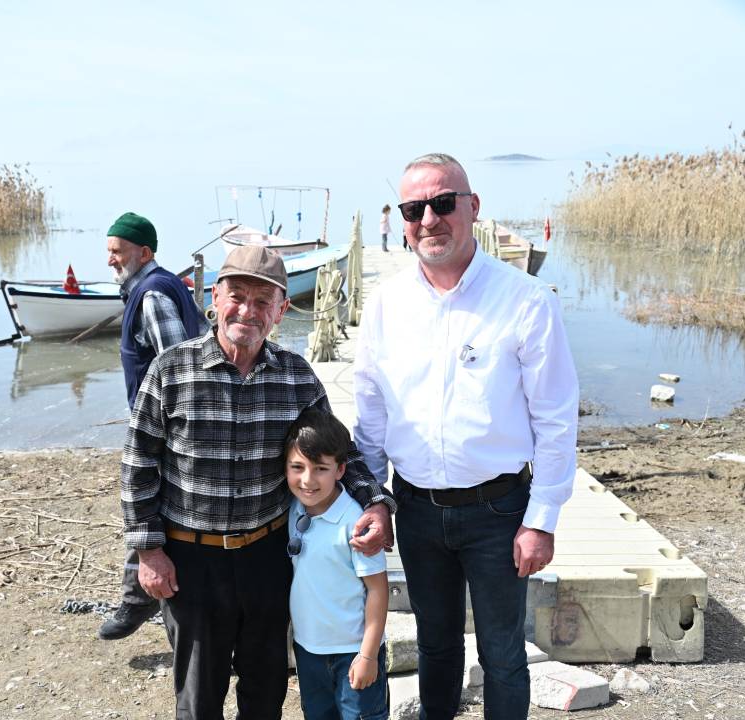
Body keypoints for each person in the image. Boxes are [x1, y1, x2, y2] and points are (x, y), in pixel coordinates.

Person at [121, 245, 396, 719]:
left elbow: (340, 452)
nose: (247, 310)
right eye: (237, 296)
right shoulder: (171, 371)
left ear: (281, 311)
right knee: (199, 695)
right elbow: (138, 465)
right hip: (191, 559)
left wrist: (376, 505)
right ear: (214, 296)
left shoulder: (296, 377)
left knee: (266, 687)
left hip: (268, 554)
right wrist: (148, 551)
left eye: (263, 301)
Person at [353, 153, 579, 719]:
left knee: (502, 652)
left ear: (472, 208)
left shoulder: (525, 300)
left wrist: (541, 519)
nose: (429, 218)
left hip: (499, 510)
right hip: (417, 510)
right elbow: (371, 414)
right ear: (403, 220)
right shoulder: (386, 306)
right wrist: (372, 500)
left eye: (442, 203)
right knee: (435, 646)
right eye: (413, 208)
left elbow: (555, 417)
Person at [98, 211, 208, 641]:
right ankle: (141, 600)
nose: (110, 260)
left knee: (151, 508)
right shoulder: (157, 288)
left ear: (144, 253)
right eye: (108, 251)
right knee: (155, 511)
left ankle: (145, 602)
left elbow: (178, 369)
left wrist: (175, 434)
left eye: (117, 252)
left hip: (166, 428)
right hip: (167, 425)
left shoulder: (152, 296)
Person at [284, 408, 389, 720]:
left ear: (341, 469)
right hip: (308, 649)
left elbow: (378, 591)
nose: (307, 480)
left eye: (320, 469)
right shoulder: (293, 509)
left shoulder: (355, 522)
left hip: (353, 651)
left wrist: (368, 654)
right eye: (297, 467)